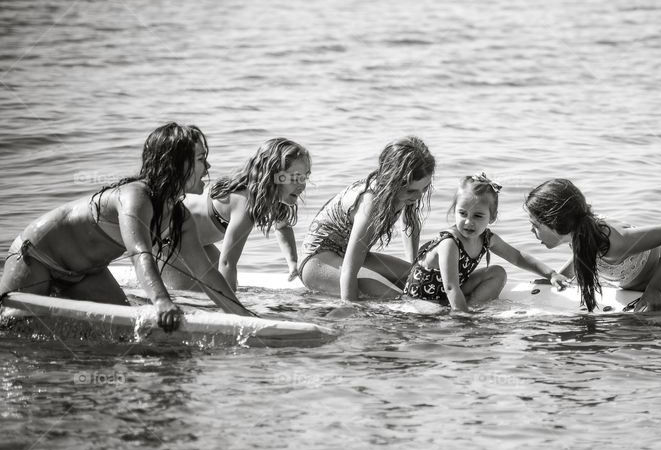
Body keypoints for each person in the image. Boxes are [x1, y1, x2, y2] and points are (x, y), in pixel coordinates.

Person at [0, 123, 257, 332]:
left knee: (125, 331)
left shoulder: (180, 217)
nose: (208, 167)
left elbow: (206, 274)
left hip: (87, 272)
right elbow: (140, 253)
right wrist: (162, 301)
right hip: (37, 257)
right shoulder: (135, 196)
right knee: (12, 327)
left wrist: (244, 316)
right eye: (202, 159)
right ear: (177, 164)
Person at [523, 178, 661, 313]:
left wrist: (655, 287)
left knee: (632, 331)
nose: (531, 230)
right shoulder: (580, 233)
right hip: (634, 288)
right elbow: (582, 255)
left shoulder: (615, 241)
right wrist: (558, 276)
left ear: (556, 223)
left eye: (536, 226)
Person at [164, 138, 310, 291]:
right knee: (204, 291)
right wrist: (235, 309)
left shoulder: (271, 197)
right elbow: (227, 262)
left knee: (223, 285)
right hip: (170, 241)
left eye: (305, 177)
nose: (302, 185)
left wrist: (292, 262)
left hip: (198, 243)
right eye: (295, 177)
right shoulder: (245, 202)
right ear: (273, 175)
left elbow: (282, 227)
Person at [405, 173, 567, 311]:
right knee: (456, 300)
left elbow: (517, 257)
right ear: (454, 211)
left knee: (497, 272)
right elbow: (450, 287)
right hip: (423, 298)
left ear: (492, 217)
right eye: (462, 213)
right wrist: (463, 319)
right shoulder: (450, 243)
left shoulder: (487, 238)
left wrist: (550, 274)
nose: (468, 222)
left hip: (446, 293)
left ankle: (471, 306)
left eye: (477, 216)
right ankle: (462, 313)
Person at [299, 136, 434, 300]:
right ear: (393, 181)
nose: (419, 196)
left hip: (347, 256)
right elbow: (350, 269)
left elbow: (409, 222)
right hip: (317, 262)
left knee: (421, 278)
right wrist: (351, 310)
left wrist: (413, 263)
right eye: (412, 191)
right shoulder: (370, 203)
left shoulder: (404, 193)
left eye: (424, 188)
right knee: (393, 298)